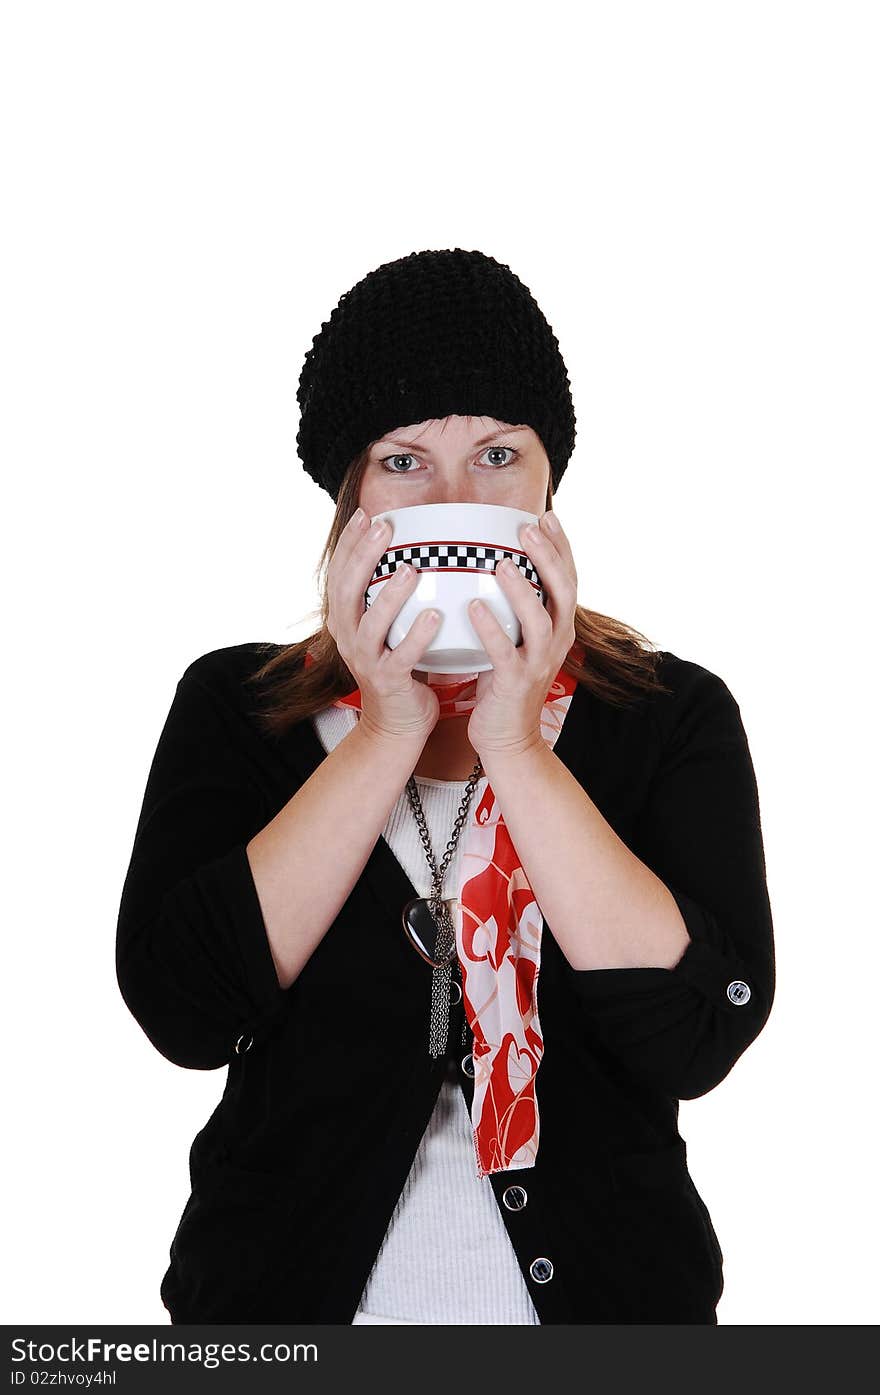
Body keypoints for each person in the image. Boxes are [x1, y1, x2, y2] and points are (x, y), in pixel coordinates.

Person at [115, 247, 775, 1325]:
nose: (459, 503)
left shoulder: (667, 716)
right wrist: (384, 731)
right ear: (352, 498)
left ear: (548, 483)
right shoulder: (238, 706)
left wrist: (518, 750)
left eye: (498, 455)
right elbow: (183, 1013)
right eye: (406, 462)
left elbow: (697, 1034)